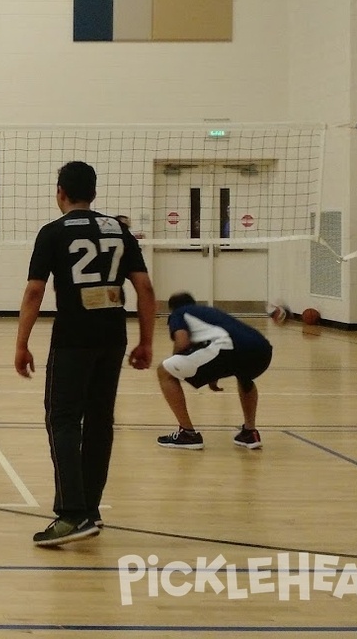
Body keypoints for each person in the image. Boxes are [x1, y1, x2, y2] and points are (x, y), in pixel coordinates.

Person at [14, 161, 156, 547]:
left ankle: (71, 514)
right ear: (93, 193)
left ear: (60, 192)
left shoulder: (53, 233)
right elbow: (144, 289)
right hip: (113, 336)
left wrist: (21, 342)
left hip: (73, 338)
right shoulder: (119, 230)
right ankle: (90, 510)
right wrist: (146, 341)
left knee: (62, 420)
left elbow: (33, 292)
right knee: (99, 422)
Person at [155, 292, 272, 451]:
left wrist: (176, 365)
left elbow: (182, 342)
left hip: (226, 348)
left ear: (172, 308)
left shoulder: (179, 313)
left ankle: (187, 434)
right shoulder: (209, 312)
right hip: (262, 349)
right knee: (245, 377)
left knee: (164, 370)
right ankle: (250, 432)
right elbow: (222, 343)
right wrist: (213, 373)